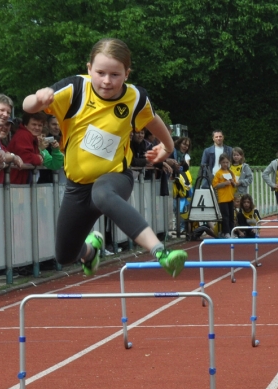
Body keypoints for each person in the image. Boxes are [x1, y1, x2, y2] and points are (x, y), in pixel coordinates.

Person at [22, 38, 187, 277]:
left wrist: (168, 146)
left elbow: (153, 118)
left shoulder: (135, 98)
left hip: (115, 177)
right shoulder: (74, 89)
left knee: (102, 193)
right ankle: (90, 251)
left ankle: (161, 252)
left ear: (127, 74)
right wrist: (38, 98)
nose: (107, 81)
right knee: (65, 255)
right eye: (100, 73)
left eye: (115, 75)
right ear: (89, 69)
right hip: (77, 187)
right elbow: (27, 106)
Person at [7, 112, 47, 184]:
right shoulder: (24, 135)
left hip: (18, 181)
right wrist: (39, 158)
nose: (37, 128)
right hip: (15, 182)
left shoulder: (29, 135)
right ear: (26, 124)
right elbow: (25, 157)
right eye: (34, 124)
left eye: (40, 125)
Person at [212, 154, 236, 238]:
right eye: (223, 162)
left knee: (231, 216)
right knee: (225, 216)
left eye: (227, 162)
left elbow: (235, 184)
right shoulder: (218, 173)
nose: (225, 164)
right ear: (220, 163)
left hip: (230, 197)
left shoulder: (230, 172)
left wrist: (233, 183)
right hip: (222, 199)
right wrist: (224, 183)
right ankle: (226, 232)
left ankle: (231, 231)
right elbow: (215, 185)